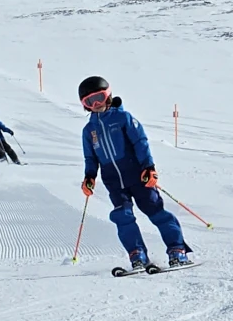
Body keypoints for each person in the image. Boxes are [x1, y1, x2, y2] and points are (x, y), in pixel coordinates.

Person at [79, 76, 192, 269]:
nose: (96, 104)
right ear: (85, 105)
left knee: (155, 211)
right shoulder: (89, 130)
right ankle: (137, 253)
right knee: (122, 216)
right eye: (90, 101)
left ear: (108, 96)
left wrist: (148, 168)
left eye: (99, 97)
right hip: (113, 181)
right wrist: (89, 176)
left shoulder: (123, 118)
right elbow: (91, 158)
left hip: (137, 175)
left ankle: (177, 249)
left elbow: (141, 143)